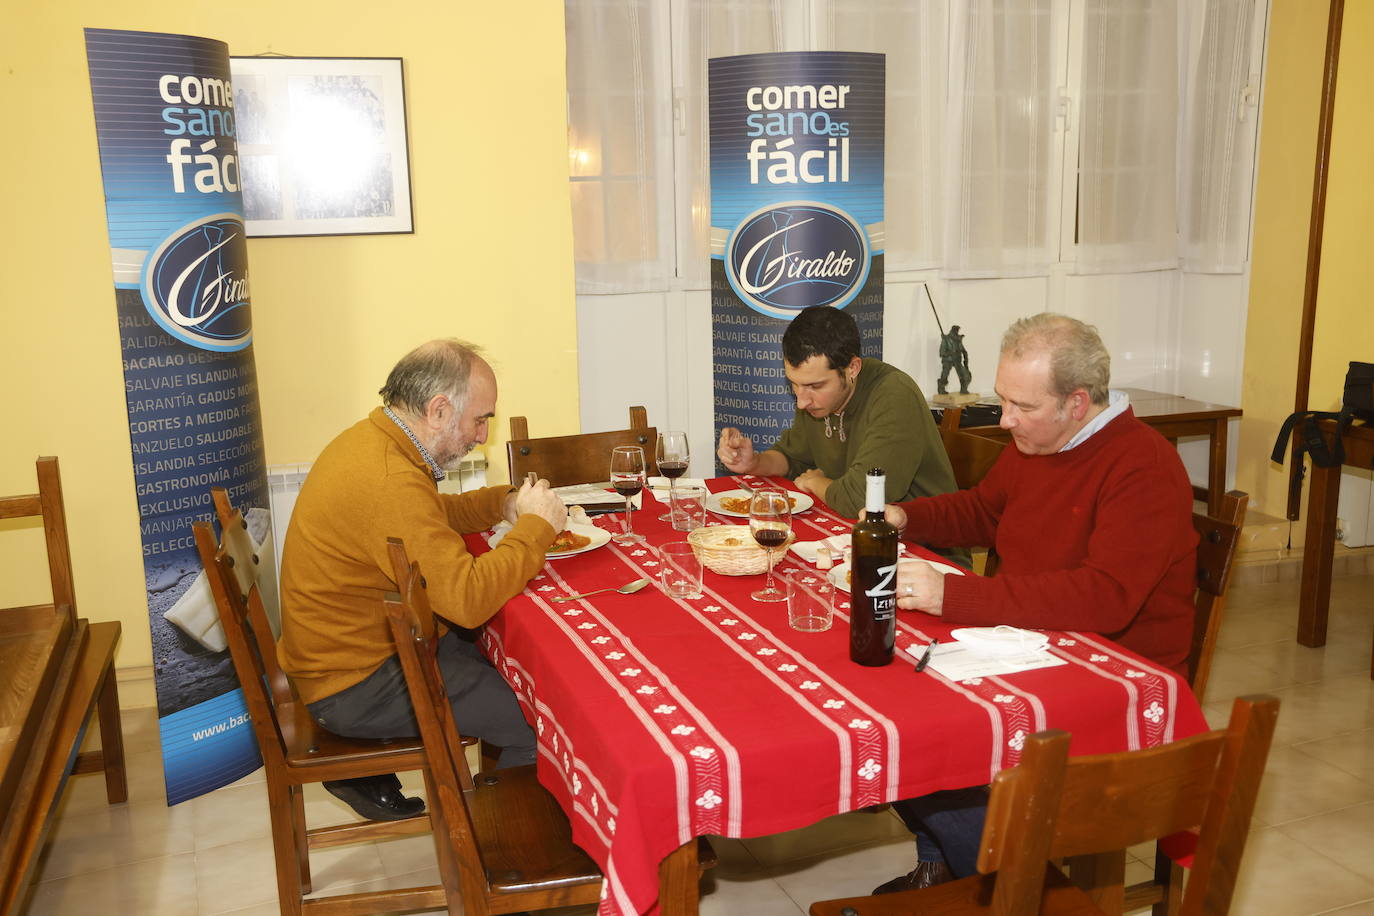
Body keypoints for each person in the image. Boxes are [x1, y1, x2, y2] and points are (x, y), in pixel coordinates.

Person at [871, 313, 1198, 894]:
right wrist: (904, 516)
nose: (1006, 419)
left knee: (925, 752)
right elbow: (986, 511)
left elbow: (1105, 598)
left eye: (1021, 406)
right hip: (1032, 649)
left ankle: (1021, 893)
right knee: (890, 705)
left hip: (1106, 683)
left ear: (1077, 402)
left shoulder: (1142, 466)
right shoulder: (1041, 441)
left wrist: (955, 593)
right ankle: (955, 865)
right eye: (1004, 400)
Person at [277, 339, 566, 821]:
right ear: (438, 410)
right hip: (354, 685)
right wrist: (537, 529)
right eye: (480, 419)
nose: (482, 436)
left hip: (363, 649)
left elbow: (427, 515)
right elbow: (468, 601)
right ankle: (497, 856)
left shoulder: (378, 441)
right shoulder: (389, 478)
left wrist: (502, 504)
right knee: (543, 720)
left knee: (518, 662)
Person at [715, 305, 958, 521]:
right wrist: (754, 462)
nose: (801, 401)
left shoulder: (894, 395)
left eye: (815, 386)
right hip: (851, 531)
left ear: (852, 368)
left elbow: (862, 500)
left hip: (923, 548)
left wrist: (815, 482)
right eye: (794, 383)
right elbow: (793, 459)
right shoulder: (815, 400)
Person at [937, 325, 972, 395]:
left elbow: (963, 350)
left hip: (957, 360)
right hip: (948, 360)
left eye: (957, 330)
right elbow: (942, 353)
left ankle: (964, 389)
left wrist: (966, 361)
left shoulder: (958, 340)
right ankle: (941, 389)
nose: (956, 332)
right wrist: (950, 353)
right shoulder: (946, 339)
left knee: (965, 375)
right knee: (945, 374)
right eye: (955, 330)